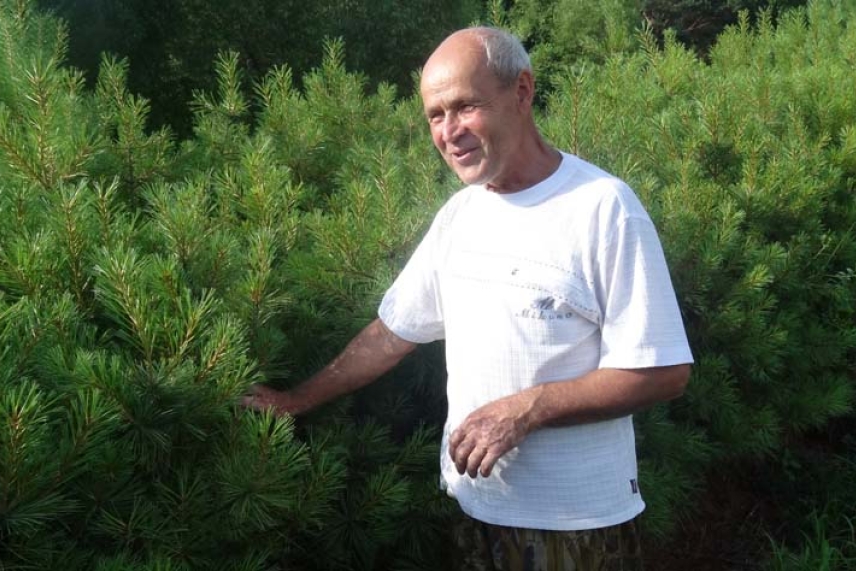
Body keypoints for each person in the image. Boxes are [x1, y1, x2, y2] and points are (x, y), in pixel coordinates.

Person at [244, 26, 693, 571]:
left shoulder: (602, 208)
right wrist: (295, 400)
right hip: (473, 509)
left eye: (465, 107)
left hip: (575, 528)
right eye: (435, 115)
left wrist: (527, 409)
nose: (449, 131)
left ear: (522, 91)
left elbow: (663, 371)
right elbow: (392, 333)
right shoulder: (461, 214)